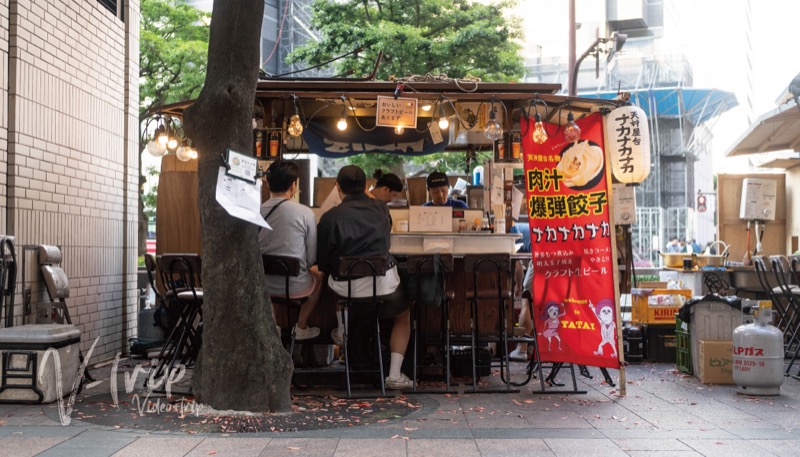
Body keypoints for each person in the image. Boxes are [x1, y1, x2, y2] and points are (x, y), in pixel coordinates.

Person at [317, 165, 413, 390]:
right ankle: (394, 374)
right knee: (403, 315)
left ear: (338, 187)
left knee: (330, 282)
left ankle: (342, 330)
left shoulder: (330, 217)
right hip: (382, 284)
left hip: (345, 288)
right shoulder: (381, 209)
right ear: (365, 186)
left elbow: (323, 261)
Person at [259, 161, 323, 340]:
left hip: (264, 286)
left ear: (268, 182)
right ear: (294, 185)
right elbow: (311, 258)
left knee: (266, 276)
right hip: (296, 287)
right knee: (319, 275)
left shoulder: (256, 211)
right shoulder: (305, 213)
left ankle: (273, 326)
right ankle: (301, 327)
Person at [509, 219, 533, 362]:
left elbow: (517, 266)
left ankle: (522, 349)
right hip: (558, 257)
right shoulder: (521, 227)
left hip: (541, 257)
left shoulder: (511, 231)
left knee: (526, 298)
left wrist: (518, 286)